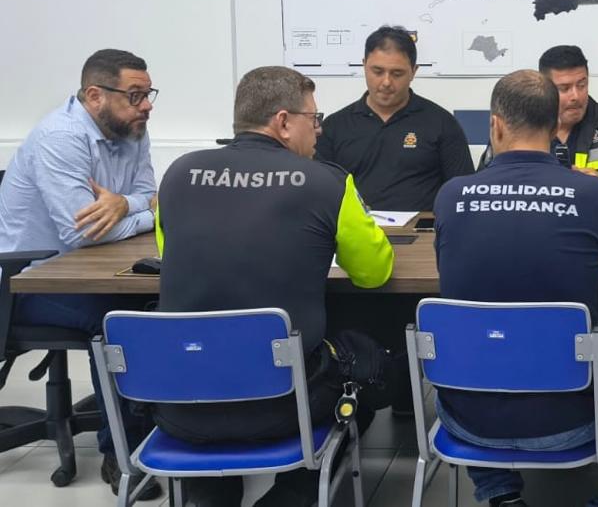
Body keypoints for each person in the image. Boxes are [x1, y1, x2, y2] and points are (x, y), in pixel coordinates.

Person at [434, 70, 598, 507]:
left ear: (494, 126)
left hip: (468, 418)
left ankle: (501, 493)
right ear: (555, 126)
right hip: (574, 417)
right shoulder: (593, 194)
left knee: (482, 345)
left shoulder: (450, 197)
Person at [153, 66, 395, 507]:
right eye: (313, 119)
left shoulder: (177, 174)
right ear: (283, 122)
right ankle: (291, 497)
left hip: (180, 401)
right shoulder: (327, 182)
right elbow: (373, 273)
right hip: (284, 406)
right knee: (366, 366)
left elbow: (171, 256)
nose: (318, 131)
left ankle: (209, 494)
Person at [0, 49, 161, 499]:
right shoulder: (60, 137)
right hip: (26, 281)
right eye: (135, 95)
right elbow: (84, 233)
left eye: (149, 94)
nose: (146, 106)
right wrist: (141, 210)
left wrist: (123, 205)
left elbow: (150, 196)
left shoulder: (131, 128)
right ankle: (122, 455)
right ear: (95, 96)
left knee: (162, 303)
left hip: (86, 269)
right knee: (118, 320)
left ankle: (156, 430)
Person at [478, 45, 598, 212]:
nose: (576, 96)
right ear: (545, 88)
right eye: (564, 88)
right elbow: (482, 188)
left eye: (582, 85)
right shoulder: (518, 127)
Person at [315, 25, 474, 212]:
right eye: (377, 71)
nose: (386, 82)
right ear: (364, 65)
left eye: (397, 73)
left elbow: (463, 194)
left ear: (413, 71)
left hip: (423, 230)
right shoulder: (335, 127)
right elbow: (319, 194)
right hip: (354, 228)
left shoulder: (442, 123)